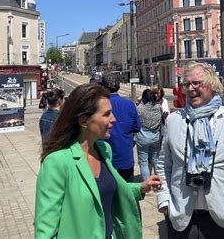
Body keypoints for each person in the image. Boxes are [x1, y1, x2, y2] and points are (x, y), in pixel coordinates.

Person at [34, 84, 162, 238]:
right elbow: (45, 231)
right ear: (84, 121)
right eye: (106, 114)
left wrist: (140, 187)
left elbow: (103, 190)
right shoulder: (56, 162)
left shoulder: (104, 150)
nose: (114, 119)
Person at [157, 62, 224, 238]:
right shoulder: (174, 120)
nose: (190, 89)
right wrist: (164, 200)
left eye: (196, 83)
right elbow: (163, 164)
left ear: (213, 85)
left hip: (223, 214)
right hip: (180, 215)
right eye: (186, 84)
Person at [101, 71, 141, 182]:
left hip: (105, 158)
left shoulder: (100, 105)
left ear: (104, 87)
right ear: (118, 86)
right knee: (127, 192)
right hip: (125, 157)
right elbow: (137, 127)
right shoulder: (129, 104)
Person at [136, 89, 163, 180]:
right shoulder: (159, 107)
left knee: (143, 161)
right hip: (155, 137)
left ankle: (148, 183)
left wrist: (139, 100)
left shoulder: (140, 108)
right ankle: (159, 180)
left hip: (142, 137)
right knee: (156, 159)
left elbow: (136, 120)